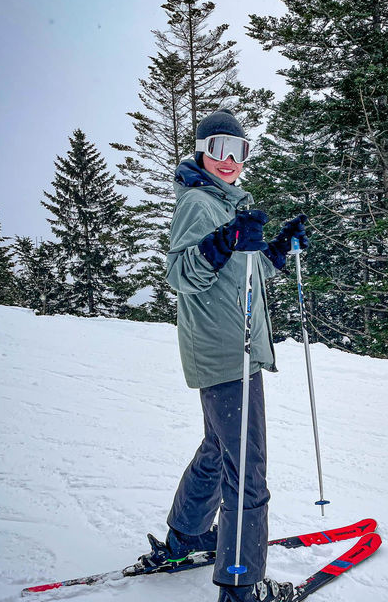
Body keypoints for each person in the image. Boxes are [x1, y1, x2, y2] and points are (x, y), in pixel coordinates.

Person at [138, 109, 308, 602]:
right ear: (201, 151)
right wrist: (226, 240)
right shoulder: (197, 202)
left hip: (234, 350)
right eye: (218, 149)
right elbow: (181, 276)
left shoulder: (226, 203)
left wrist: (274, 250)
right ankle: (241, 586)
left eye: (238, 151)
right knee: (247, 472)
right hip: (225, 353)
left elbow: (244, 276)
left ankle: (186, 538)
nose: (228, 160)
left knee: (219, 450)